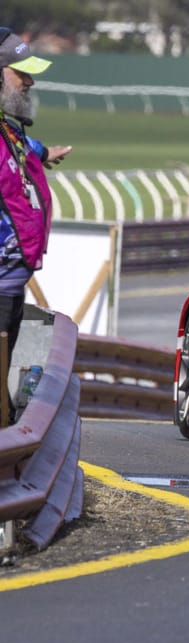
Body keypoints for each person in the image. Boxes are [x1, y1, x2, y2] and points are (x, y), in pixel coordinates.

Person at [0, 28, 71, 418]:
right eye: (20, 72)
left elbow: (25, 148)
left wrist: (45, 153)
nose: (30, 81)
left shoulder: (10, 130)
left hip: (10, 285)